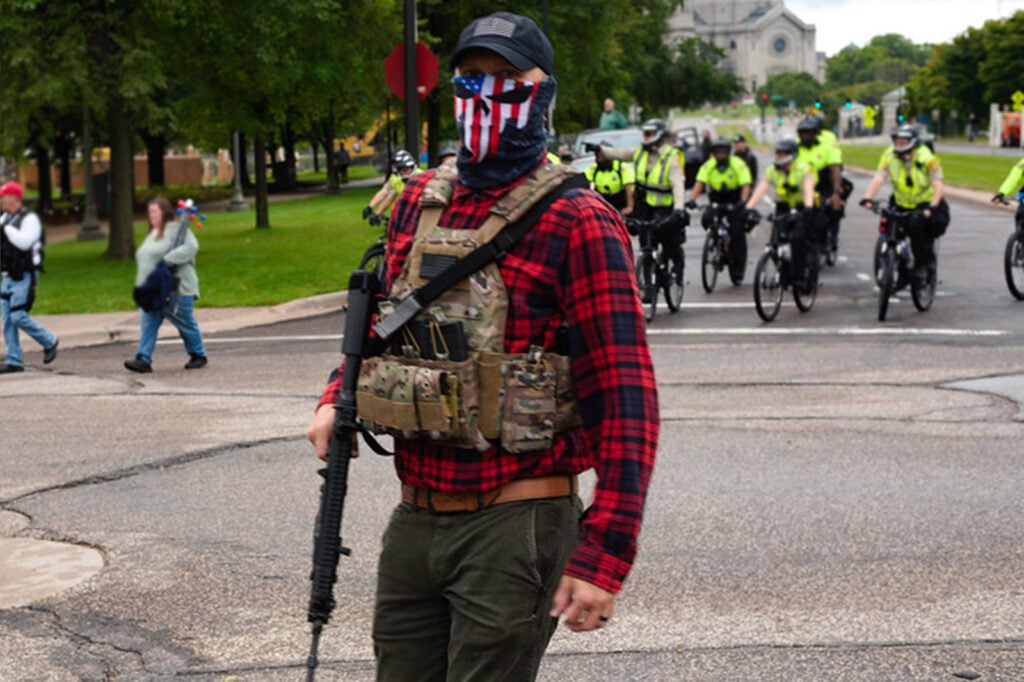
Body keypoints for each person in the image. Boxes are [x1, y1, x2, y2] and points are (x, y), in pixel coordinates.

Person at [306, 11, 658, 681]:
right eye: (472, 77)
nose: (486, 92)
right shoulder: (416, 203)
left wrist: (606, 553)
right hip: (415, 517)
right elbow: (385, 323)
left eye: (507, 78)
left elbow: (626, 400)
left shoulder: (579, 220)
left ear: (542, 93)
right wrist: (335, 397)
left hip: (516, 518)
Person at [123, 197, 208, 373]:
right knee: (148, 323)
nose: (151, 215)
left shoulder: (177, 229)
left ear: (165, 212)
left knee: (184, 322)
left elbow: (191, 247)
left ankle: (198, 354)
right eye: (149, 212)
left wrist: (166, 261)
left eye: (155, 211)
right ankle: (143, 359)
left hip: (178, 286)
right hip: (154, 289)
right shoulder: (154, 234)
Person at [859, 124, 948, 287]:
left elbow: (938, 184)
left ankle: (923, 266)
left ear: (912, 141)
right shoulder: (889, 155)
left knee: (916, 229)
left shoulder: (926, 158)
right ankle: (899, 270)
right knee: (891, 227)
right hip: (900, 202)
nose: (899, 145)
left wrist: (933, 206)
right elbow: (879, 177)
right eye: (897, 141)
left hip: (923, 204)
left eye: (903, 141)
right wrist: (868, 198)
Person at [599, 118, 689, 281]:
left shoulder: (671, 156)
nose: (646, 137)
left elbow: (678, 184)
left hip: (664, 207)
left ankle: (677, 263)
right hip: (645, 207)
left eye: (649, 134)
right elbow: (618, 153)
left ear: (659, 135)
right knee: (645, 242)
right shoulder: (639, 152)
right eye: (645, 134)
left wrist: (679, 209)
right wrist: (600, 149)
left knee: (668, 241)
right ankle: (648, 283)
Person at [745, 138, 818, 292]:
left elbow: (808, 189)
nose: (778, 156)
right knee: (776, 239)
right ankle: (783, 273)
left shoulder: (804, 168)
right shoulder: (772, 170)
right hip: (783, 206)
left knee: (798, 239)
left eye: (782, 154)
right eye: (777, 153)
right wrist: (749, 208)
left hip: (802, 206)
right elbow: (761, 188)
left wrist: (808, 208)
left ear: (792, 154)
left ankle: (799, 278)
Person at [0, 181, 58, 373]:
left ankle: (49, 340)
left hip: (24, 274)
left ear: (14, 198)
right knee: (7, 319)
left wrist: (6, 229)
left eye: (4, 196)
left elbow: (24, 243)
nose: (1, 200)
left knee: (18, 315)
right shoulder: (5, 218)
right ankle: (14, 360)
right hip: (7, 275)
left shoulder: (29, 219)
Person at [687, 137, 753, 282]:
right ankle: (718, 238)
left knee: (737, 232)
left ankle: (738, 268)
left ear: (728, 153)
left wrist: (743, 201)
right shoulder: (709, 165)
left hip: (734, 200)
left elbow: (746, 184)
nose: (720, 155)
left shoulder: (737, 163)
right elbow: (700, 182)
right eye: (717, 152)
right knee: (706, 219)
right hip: (717, 199)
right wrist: (692, 199)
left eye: (723, 152)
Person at [796, 115, 844, 256]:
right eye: (803, 133)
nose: (806, 136)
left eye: (809, 132)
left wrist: (836, 192)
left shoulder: (828, 144)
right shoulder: (795, 146)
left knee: (831, 209)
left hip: (823, 181)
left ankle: (831, 237)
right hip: (803, 182)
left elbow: (835, 169)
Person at [363, 150, 419, 225]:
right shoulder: (395, 178)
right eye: (400, 169)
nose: (403, 172)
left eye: (406, 169)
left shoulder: (421, 175)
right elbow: (386, 194)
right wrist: (372, 209)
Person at [584, 142, 636, 214]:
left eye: (600, 155)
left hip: (620, 202)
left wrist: (629, 207)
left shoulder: (621, 167)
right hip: (603, 202)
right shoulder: (595, 168)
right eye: (597, 155)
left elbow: (629, 187)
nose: (597, 158)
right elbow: (583, 182)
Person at [992, 157, 1024, 227]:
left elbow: (1012, 178)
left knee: (1021, 215)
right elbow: (1013, 178)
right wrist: (1002, 193)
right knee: (1021, 216)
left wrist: (1001, 193)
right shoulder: (1022, 163)